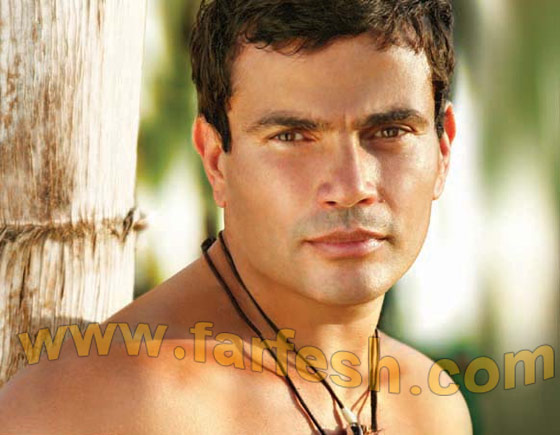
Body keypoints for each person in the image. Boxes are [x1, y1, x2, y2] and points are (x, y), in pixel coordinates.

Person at [0, 0, 472, 433]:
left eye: (390, 131)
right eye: (291, 137)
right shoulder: (97, 405)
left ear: (443, 150)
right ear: (215, 161)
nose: (351, 187)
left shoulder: (430, 406)